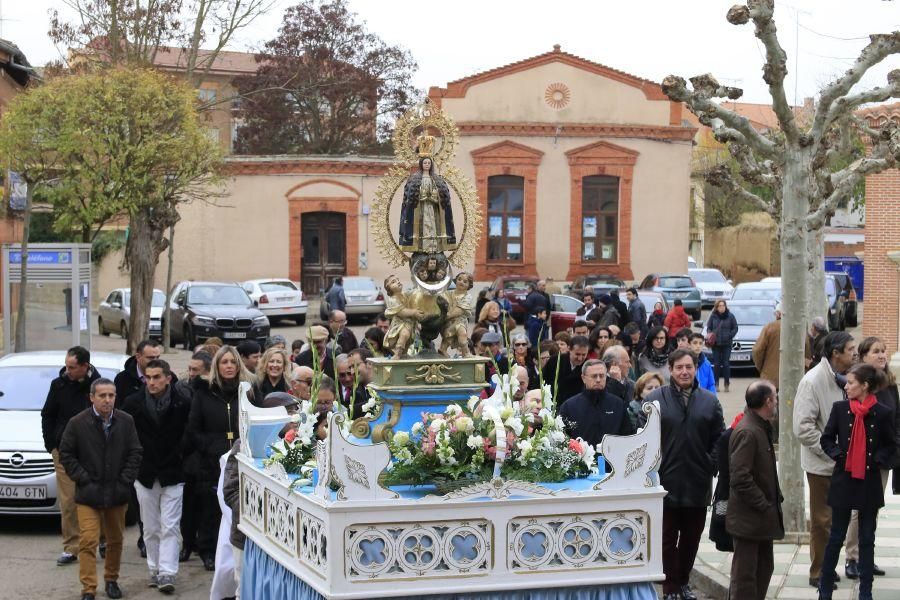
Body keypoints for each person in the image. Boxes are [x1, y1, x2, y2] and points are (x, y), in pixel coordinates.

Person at [644, 349, 725, 600]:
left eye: (688, 367)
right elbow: (642, 436)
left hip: (697, 482)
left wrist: (709, 464)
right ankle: (670, 588)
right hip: (665, 482)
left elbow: (719, 439)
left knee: (691, 539)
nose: (684, 372)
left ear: (695, 368)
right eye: (679, 367)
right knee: (666, 540)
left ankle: (683, 583)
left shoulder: (709, 401)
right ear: (670, 369)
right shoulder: (656, 400)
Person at [817, 363, 896, 600]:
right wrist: (839, 455)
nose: (847, 386)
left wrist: (876, 460)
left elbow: (892, 445)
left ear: (865, 386)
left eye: (851, 382)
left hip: (868, 481)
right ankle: (825, 588)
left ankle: (865, 592)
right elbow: (826, 438)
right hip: (844, 479)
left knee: (867, 538)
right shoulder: (840, 409)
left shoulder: (883, 413)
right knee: (836, 536)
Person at [59, 378, 142, 600]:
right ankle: (88, 587)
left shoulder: (126, 421)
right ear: (92, 397)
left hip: (117, 492)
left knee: (115, 540)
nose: (107, 400)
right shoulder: (78, 423)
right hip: (88, 493)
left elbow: (135, 452)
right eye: (102, 396)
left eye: (111, 396)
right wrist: (82, 478)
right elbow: (66, 454)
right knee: (88, 540)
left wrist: (125, 480)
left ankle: (111, 579)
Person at [794, 330, 857, 590]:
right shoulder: (812, 381)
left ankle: (828, 566)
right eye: (851, 349)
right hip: (823, 465)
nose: (855, 353)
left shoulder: (848, 378)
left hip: (845, 463)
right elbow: (803, 428)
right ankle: (818, 573)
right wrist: (832, 453)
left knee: (839, 519)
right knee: (822, 521)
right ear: (835, 353)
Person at [122, 359, 190, 594]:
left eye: (156, 377)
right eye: (148, 378)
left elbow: (188, 434)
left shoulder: (182, 403)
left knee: (170, 525)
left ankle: (167, 572)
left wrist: (181, 457)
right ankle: (154, 568)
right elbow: (127, 438)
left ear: (168, 378)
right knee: (150, 526)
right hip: (146, 473)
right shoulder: (133, 403)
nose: (151, 382)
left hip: (173, 471)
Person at [185, 345, 254, 571]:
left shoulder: (248, 391)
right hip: (211, 461)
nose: (229, 366)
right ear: (217, 366)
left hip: (241, 458)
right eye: (224, 362)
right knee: (210, 509)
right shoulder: (204, 393)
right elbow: (194, 430)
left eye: (233, 362)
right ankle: (207, 550)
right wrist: (212, 448)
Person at [843, 337, 899, 579]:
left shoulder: (891, 385)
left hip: (883, 458)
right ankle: (852, 558)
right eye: (876, 351)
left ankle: (867, 556)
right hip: (860, 457)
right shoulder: (857, 386)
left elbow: (896, 421)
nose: (882, 355)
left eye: (884, 351)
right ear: (864, 357)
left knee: (873, 508)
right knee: (858, 509)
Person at [41, 346, 102, 566]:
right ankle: (71, 547)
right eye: (66, 365)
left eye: (72, 367)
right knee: (68, 501)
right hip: (64, 451)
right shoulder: (58, 385)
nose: (67, 371)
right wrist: (52, 444)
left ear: (85, 367)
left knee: (96, 496)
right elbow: (47, 414)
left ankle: (100, 539)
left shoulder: (99, 386)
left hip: (93, 451)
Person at [726, 380, 784, 600]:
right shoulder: (749, 432)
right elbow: (740, 478)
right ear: (768, 401)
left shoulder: (759, 427)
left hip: (760, 520)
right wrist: (763, 504)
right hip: (749, 520)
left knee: (763, 570)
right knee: (746, 579)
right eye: (775, 398)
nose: (777, 402)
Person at [175, 350, 210, 563]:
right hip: (187, 455)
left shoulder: (211, 392)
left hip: (206, 454)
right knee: (187, 506)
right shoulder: (181, 389)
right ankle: (187, 543)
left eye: (195, 370)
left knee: (206, 506)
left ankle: (205, 547)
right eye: (189, 369)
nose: (190, 373)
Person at [559, 359, 634, 448]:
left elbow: (627, 435)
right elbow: (562, 438)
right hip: (580, 459)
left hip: (611, 459)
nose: (598, 380)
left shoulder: (618, 404)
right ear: (583, 378)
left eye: (602, 376)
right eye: (594, 376)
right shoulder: (569, 406)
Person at [398, 156, 456, 252]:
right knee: (422, 226)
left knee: (433, 225)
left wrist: (436, 196)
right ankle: (421, 246)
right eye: (425, 163)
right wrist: (420, 196)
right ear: (421, 164)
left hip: (433, 209)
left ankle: (434, 246)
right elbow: (410, 198)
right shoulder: (414, 179)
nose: (427, 165)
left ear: (431, 165)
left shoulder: (437, 180)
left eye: (429, 163)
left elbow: (444, 197)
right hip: (420, 209)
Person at [542, 335, 590, 407]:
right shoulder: (555, 361)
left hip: (577, 406)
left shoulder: (589, 367)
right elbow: (542, 380)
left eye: (584, 355)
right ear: (569, 349)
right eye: (577, 354)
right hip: (554, 404)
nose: (580, 358)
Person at [114, 339, 162, 408]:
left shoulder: (168, 377)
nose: (155, 361)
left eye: (157, 357)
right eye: (151, 358)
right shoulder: (122, 379)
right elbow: (118, 410)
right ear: (138, 357)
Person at [706, 299, 739, 393]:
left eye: (723, 305)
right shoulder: (713, 316)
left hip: (727, 344)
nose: (722, 307)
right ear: (717, 307)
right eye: (720, 306)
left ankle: (726, 383)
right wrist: (710, 335)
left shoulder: (730, 316)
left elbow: (735, 328)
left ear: (725, 306)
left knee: (726, 364)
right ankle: (716, 383)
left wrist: (730, 335)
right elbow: (709, 327)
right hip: (715, 344)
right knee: (716, 364)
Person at [753, 303, 783, 387]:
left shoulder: (770, 327)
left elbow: (757, 350)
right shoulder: (800, 327)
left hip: (771, 377)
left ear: (779, 314)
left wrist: (761, 367)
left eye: (775, 313)